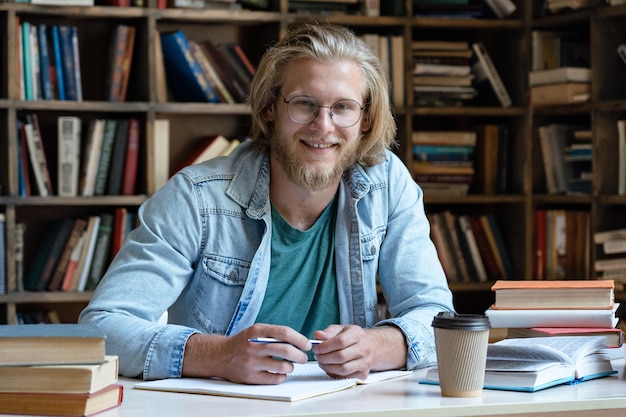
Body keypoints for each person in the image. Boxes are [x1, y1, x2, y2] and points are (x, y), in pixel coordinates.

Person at [79, 23, 454, 385]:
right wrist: (219, 356)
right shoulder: (195, 197)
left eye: (343, 107)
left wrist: (377, 345)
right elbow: (101, 329)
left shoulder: (387, 184)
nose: (323, 126)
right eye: (305, 104)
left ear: (366, 119)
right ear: (271, 107)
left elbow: (437, 315)